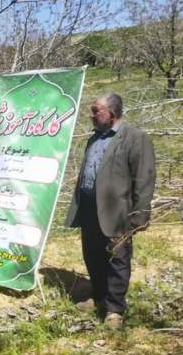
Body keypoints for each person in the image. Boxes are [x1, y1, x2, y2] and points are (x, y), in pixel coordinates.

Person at [65, 93, 156, 329]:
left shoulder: (135, 138)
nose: (92, 115)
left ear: (112, 113)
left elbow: (144, 178)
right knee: (92, 255)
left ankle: (115, 310)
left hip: (118, 212)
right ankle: (100, 297)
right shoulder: (94, 138)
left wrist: (140, 214)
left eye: (96, 111)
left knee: (118, 260)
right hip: (89, 210)